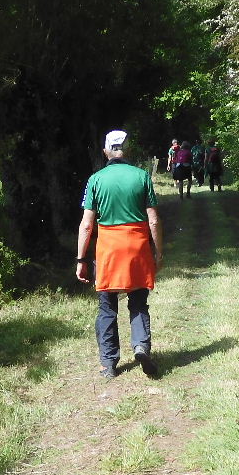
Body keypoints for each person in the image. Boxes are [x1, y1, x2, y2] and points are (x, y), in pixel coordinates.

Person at [77, 130, 163, 379]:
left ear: (106, 151)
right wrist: (158, 252)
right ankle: (141, 346)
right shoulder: (141, 176)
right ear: (127, 150)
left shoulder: (95, 179)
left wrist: (81, 259)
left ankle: (109, 363)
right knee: (138, 302)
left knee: (107, 307)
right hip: (137, 247)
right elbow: (153, 220)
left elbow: (86, 225)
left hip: (109, 250)